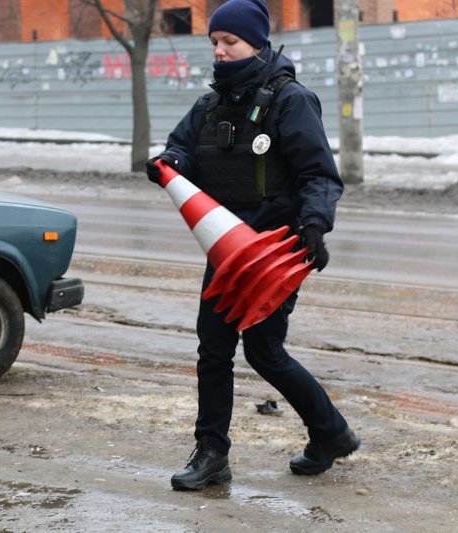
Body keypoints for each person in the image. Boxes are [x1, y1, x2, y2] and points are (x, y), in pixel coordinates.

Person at [146, 0, 360, 491]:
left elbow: (318, 174)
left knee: (265, 352)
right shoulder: (209, 103)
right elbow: (183, 146)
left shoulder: (290, 99)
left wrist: (314, 226)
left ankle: (330, 433)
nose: (219, 52)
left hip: (273, 251)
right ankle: (212, 454)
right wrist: (169, 162)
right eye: (214, 43)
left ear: (257, 43)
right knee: (213, 351)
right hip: (226, 249)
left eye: (230, 43)